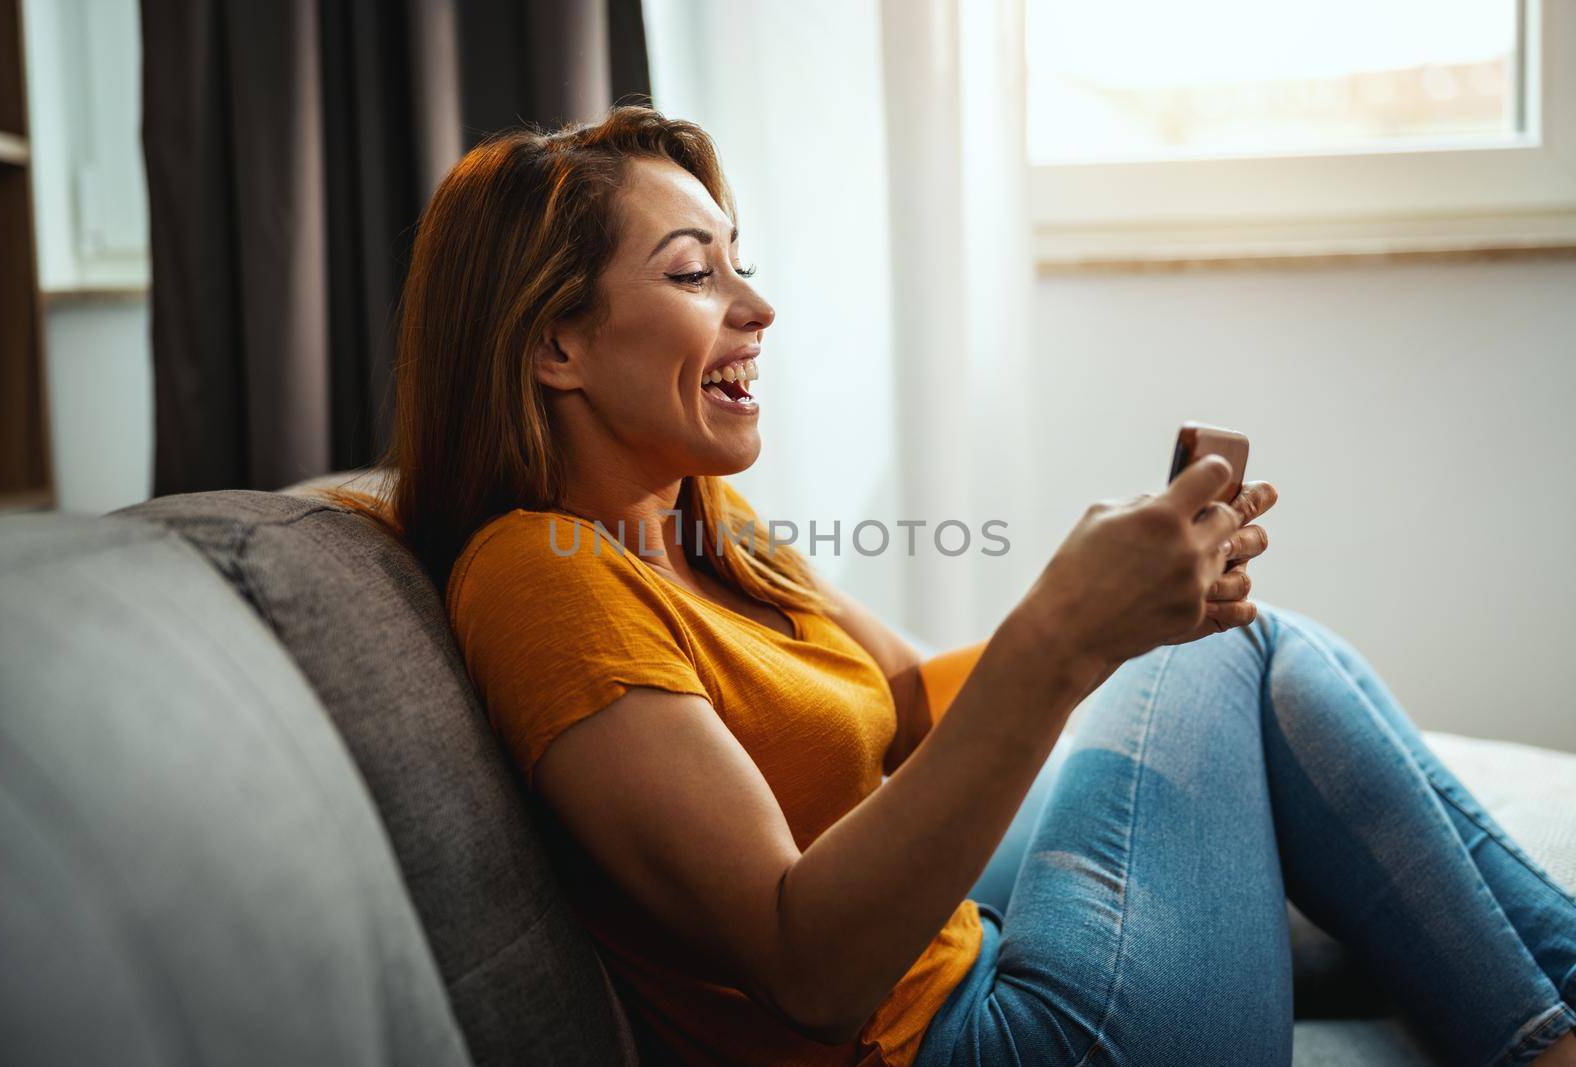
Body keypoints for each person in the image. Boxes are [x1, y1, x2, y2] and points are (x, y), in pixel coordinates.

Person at [329, 106, 1576, 1066]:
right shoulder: (539, 579)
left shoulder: (700, 521)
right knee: (1235, 656)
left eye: (740, 263)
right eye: (694, 271)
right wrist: (1062, 636)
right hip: (974, 1042)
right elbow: (804, 962)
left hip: (979, 961)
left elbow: (917, 702)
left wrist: (1118, 611)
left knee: (1248, 641)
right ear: (554, 343)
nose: (758, 306)